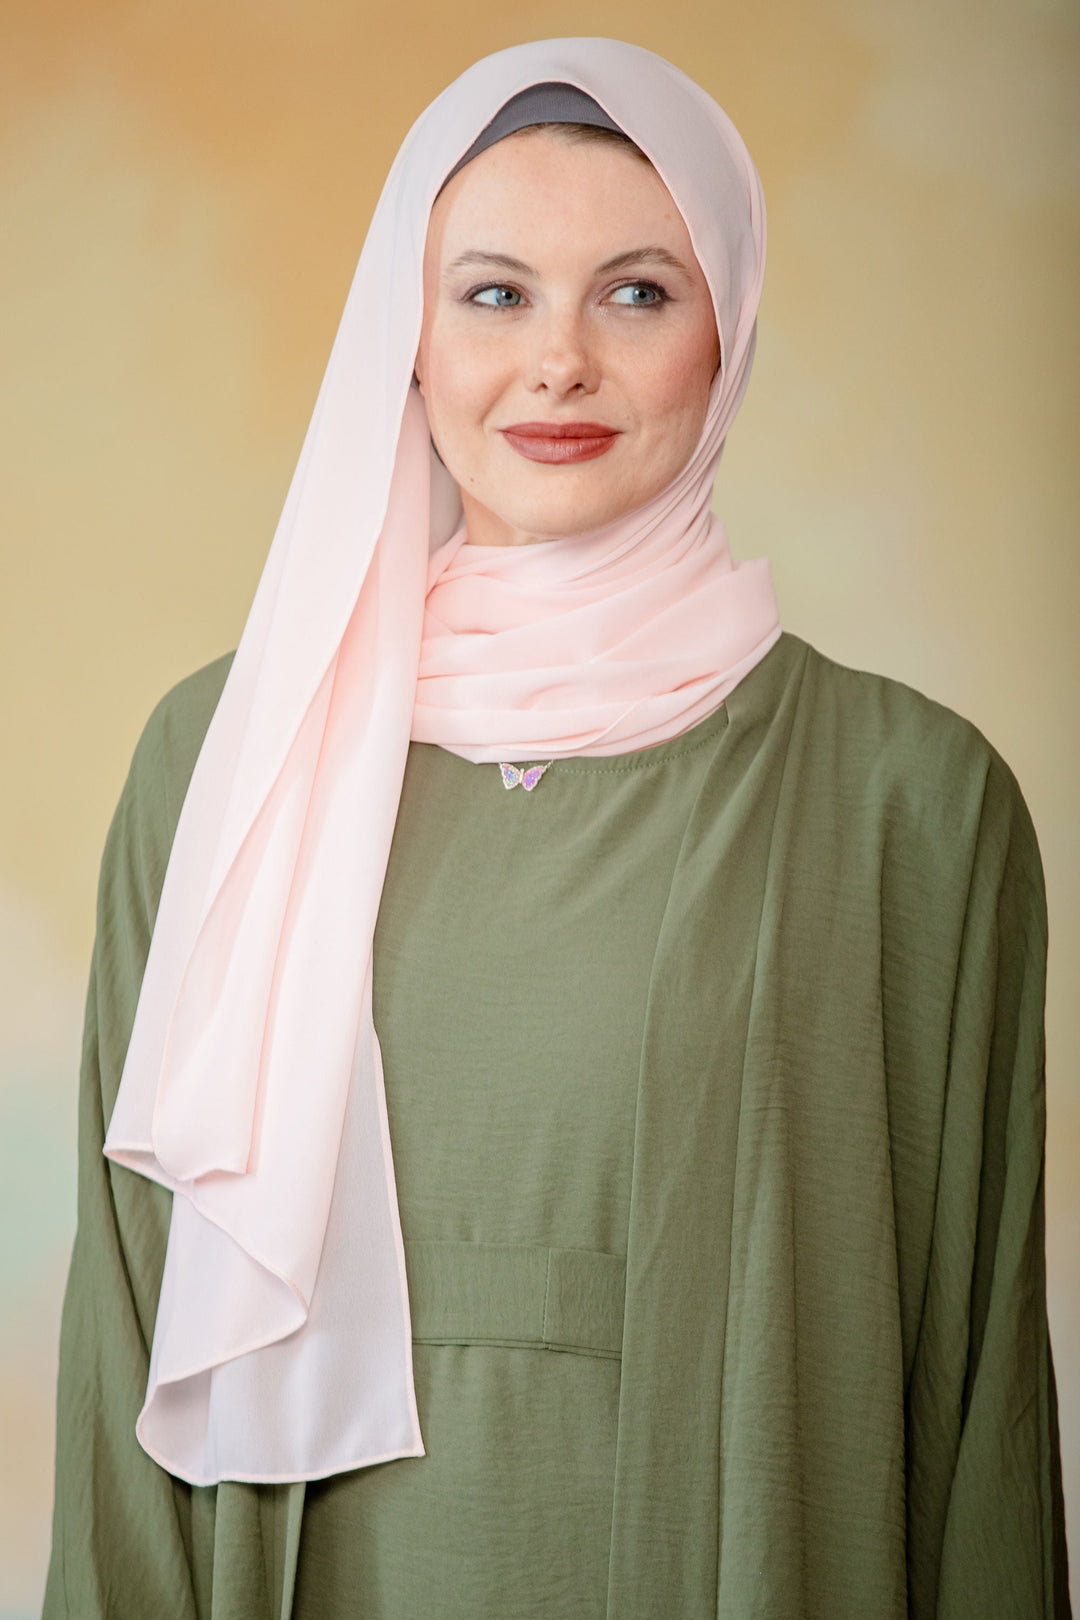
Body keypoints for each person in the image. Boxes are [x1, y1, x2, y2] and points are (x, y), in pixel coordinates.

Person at [43, 36, 1070, 1620]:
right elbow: (124, 1314)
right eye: (496, 292)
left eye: (639, 292)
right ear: (408, 336)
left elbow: (979, 1389)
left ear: (727, 333)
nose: (559, 363)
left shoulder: (911, 808)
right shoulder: (226, 760)